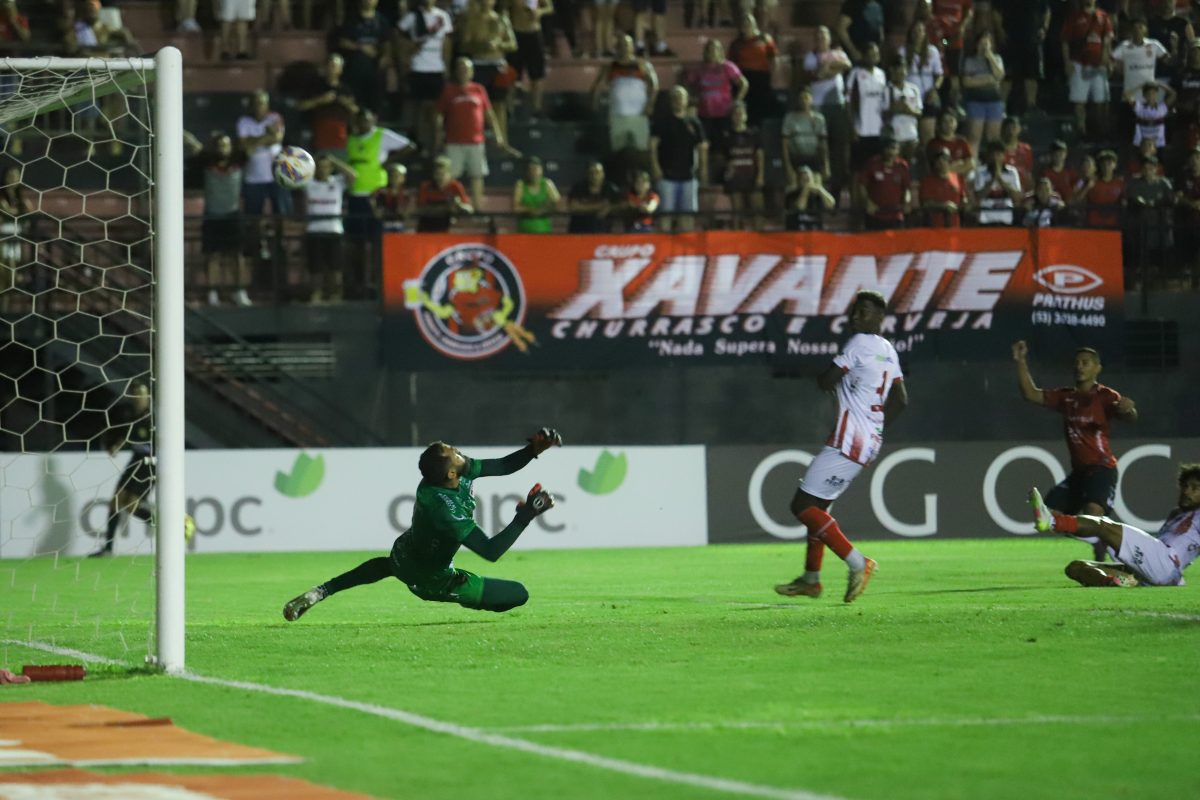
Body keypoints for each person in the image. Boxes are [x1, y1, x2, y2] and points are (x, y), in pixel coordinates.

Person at [282, 429, 563, 620]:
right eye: (454, 453)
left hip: (404, 552)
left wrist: (533, 449)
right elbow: (490, 551)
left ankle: (320, 591)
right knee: (517, 594)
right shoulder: (444, 509)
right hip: (431, 580)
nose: (459, 451)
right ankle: (465, 594)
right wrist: (526, 515)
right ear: (452, 472)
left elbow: (502, 466)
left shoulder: (451, 475)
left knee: (388, 566)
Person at [774, 290, 907, 603]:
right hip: (870, 440)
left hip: (850, 439)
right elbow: (902, 400)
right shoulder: (888, 349)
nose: (855, 317)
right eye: (855, 311)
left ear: (878, 317)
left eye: (863, 312)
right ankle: (811, 580)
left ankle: (858, 562)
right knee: (818, 508)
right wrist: (876, 427)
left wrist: (816, 373)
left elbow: (827, 380)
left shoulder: (858, 343)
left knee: (802, 506)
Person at [1012, 340, 1138, 560]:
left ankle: (1112, 549)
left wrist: (1128, 410)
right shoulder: (1067, 397)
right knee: (1049, 516)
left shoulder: (1106, 396)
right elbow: (1030, 394)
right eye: (1077, 362)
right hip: (1079, 473)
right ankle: (1102, 543)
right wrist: (1020, 361)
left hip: (1102, 469)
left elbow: (1129, 415)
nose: (1079, 366)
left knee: (1092, 517)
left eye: (1085, 362)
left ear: (1097, 368)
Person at [1028, 462, 1200, 588]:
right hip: (1154, 571)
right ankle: (1114, 583)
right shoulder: (1176, 514)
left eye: (1195, 488)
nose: (1187, 491)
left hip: (1165, 564)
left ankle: (1051, 521)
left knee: (1103, 525)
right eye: (1185, 486)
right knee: (1076, 567)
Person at [90, 382, 195, 557]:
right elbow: (126, 434)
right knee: (116, 502)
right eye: (137, 394)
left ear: (148, 397)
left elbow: (162, 443)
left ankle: (177, 526)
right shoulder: (129, 415)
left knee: (131, 505)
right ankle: (107, 549)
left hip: (151, 463)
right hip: (136, 460)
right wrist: (116, 445)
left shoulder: (151, 419)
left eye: (143, 394)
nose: (140, 397)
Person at [649, 85, 707, 233]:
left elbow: (702, 148)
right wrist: (655, 167)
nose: (678, 100)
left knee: (687, 216)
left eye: (681, 97)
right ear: (670, 101)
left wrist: (703, 169)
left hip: (688, 176)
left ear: (686, 101)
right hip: (667, 176)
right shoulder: (662, 122)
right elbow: (652, 146)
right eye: (674, 97)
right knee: (666, 215)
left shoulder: (694, 123)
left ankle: (685, 252)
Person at [592, 34, 658, 161]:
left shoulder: (642, 65)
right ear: (617, 48)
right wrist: (595, 102)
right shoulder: (610, 66)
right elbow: (598, 85)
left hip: (638, 115)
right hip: (617, 115)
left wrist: (650, 104)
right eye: (621, 45)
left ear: (633, 47)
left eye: (627, 45)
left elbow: (654, 85)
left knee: (641, 149)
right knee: (618, 151)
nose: (625, 48)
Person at [303, 153, 356, 303]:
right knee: (316, 268)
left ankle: (336, 295)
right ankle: (316, 294)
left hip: (334, 230)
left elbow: (353, 175)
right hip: (314, 231)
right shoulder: (309, 183)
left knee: (336, 268)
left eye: (326, 167)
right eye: (320, 167)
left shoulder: (338, 182)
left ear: (331, 168)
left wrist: (333, 159)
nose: (323, 170)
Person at [1061, 0, 1114, 140]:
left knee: (1101, 100)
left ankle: (1101, 131)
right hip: (1079, 63)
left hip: (1099, 64)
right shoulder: (1074, 17)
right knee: (1079, 101)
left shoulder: (1102, 16)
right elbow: (1065, 41)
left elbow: (1108, 38)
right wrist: (1067, 62)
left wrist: (1108, 59)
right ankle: (1081, 130)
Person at [416, 155, 473, 232]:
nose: (440, 177)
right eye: (437, 174)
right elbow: (420, 209)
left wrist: (459, 205)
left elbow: (469, 209)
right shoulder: (425, 186)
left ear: (449, 174)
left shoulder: (455, 186)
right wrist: (446, 208)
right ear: (433, 174)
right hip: (426, 225)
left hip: (447, 227)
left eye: (443, 174)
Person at [920, 147, 967, 227]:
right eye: (938, 160)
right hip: (934, 227)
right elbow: (926, 204)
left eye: (945, 159)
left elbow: (963, 198)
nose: (942, 163)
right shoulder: (928, 181)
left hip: (955, 225)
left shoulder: (958, 178)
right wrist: (944, 206)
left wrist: (965, 203)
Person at [568, 160, 619, 234]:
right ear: (587, 174)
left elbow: (620, 205)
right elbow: (574, 207)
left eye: (597, 172)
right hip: (579, 231)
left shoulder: (610, 188)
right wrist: (599, 207)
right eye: (591, 173)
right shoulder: (578, 187)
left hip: (603, 232)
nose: (594, 176)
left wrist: (610, 208)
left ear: (603, 174)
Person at [513, 156, 560, 233]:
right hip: (524, 231)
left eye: (536, 169)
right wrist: (532, 210)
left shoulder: (548, 184)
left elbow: (557, 202)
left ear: (541, 170)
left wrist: (542, 210)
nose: (533, 172)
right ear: (527, 171)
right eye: (530, 169)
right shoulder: (520, 184)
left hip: (544, 230)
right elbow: (516, 208)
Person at [784, 165, 835, 231]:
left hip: (816, 232)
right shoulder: (791, 195)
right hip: (797, 231)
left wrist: (820, 189)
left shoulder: (818, 194)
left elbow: (831, 205)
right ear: (798, 180)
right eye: (803, 179)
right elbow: (799, 209)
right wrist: (806, 190)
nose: (806, 182)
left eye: (808, 179)